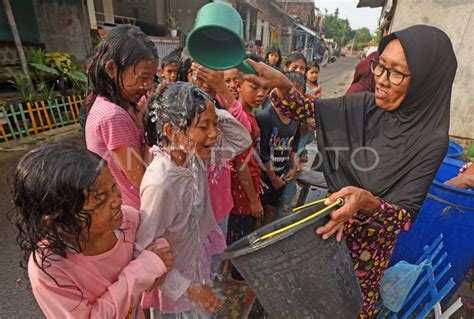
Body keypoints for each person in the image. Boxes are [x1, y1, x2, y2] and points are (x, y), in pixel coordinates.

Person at [242, 25, 457, 318]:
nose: (381, 79)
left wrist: (366, 202)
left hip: (364, 259)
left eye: (396, 73)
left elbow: (404, 217)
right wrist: (281, 85)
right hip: (328, 235)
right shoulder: (366, 105)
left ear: (426, 82)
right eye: (380, 66)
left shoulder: (430, 141)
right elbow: (311, 112)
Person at [9, 144, 173, 318]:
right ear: (57, 220)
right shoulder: (50, 269)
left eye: (113, 188)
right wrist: (142, 271)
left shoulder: (128, 221)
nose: (116, 201)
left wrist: (159, 255)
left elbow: (155, 242)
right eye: (100, 200)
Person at [137, 82, 251, 316]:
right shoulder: (161, 183)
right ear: (171, 131)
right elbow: (141, 251)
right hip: (174, 285)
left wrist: (208, 108)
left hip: (196, 262)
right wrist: (189, 289)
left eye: (215, 126)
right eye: (203, 126)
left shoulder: (193, 157)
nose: (214, 134)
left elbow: (242, 140)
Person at [85, 25, 158, 210]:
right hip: (134, 213)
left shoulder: (128, 104)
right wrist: (153, 127)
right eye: (142, 78)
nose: (147, 86)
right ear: (111, 69)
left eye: (151, 78)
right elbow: (142, 180)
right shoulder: (113, 117)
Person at [227, 72, 266, 282]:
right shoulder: (240, 116)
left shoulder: (249, 113)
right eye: (254, 87)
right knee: (240, 237)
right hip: (241, 194)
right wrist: (253, 200)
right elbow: (240, 164)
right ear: (238, 85)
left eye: (264, 88)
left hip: (248, 186)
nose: (261, 94)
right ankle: (237, 282)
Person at [257, 73, 301, 224]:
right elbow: (263, 153)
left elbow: (294, 147)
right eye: (287, 94)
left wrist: (294, 166)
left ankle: (266, 241)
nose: (291, 100)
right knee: (259, 210)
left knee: (271, 209)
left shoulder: (296, 119)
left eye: (296, 96)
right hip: (264, 176)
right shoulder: (265, 117)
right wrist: (273, 178)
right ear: (276, 92)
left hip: (281, 176)